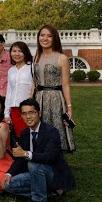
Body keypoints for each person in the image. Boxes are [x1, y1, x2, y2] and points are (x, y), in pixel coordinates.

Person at [3, 98, 76, 202]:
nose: (28, 117)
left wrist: (26, 154)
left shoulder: (51, 132)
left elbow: (49, 157)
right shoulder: (24, 133)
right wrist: (9, 173)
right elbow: (20, 159)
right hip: (36, 174)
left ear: (39, 113)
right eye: (24, 113)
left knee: (33, 165)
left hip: (54, 174)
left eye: (31, 112)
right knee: (8, 185)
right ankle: (50, 194)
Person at [33, 24, 76, 152]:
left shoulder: (61, 58)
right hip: (39, 98)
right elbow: (33, 82)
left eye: (49, 36)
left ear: (54, 39)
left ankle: (58, 161)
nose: (45, 38)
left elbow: (66, 84)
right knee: (40, 128)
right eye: (42, 35)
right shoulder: (36, 57)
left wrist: (69, 108)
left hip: (56, 98)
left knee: (56, 128)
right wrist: (30, 101)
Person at [4, 41, 34, 138]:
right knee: (18, 136)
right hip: (14, 109)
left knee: (29, 135)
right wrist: (6, 113)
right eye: (14, 51)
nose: (17, 54)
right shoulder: (11, 70)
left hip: (27, 108)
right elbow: (9, 92)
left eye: (20, 51)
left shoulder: (31, 68)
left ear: (25, 52)